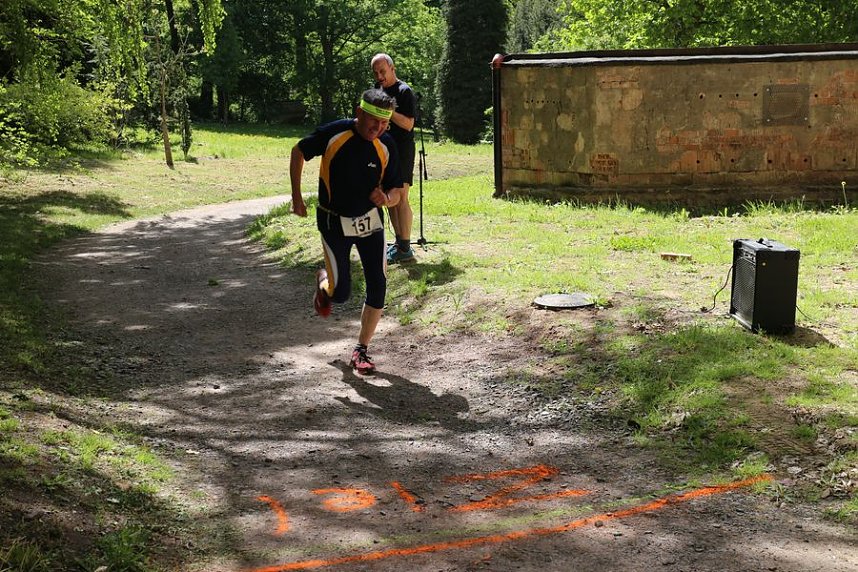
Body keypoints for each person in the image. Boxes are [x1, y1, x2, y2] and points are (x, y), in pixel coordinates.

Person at [290, 89, 403, 374]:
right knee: (339, 295)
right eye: (373, 121)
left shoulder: (386, 145)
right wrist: (297, 197)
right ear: (359, 112)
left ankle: (361, 349)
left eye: (384, 124)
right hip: (333, 222)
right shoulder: (335, 134)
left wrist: (387, 199)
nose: (377, 129)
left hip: (370, 222)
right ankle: (324, 282)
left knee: (378, 283)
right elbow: (298, 151)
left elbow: (397, 192)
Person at [371, 53, 417, 264]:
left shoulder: (404, 91)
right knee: (389, 197)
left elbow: (408, 124)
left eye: (382, 71)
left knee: (402, 197)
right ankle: (399, 244)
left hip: (403, 150)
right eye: (376, 72)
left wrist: (388, 113)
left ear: (392, 67)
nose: (379, 76)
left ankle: (406, 247)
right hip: (383, 151)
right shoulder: (377, 90)